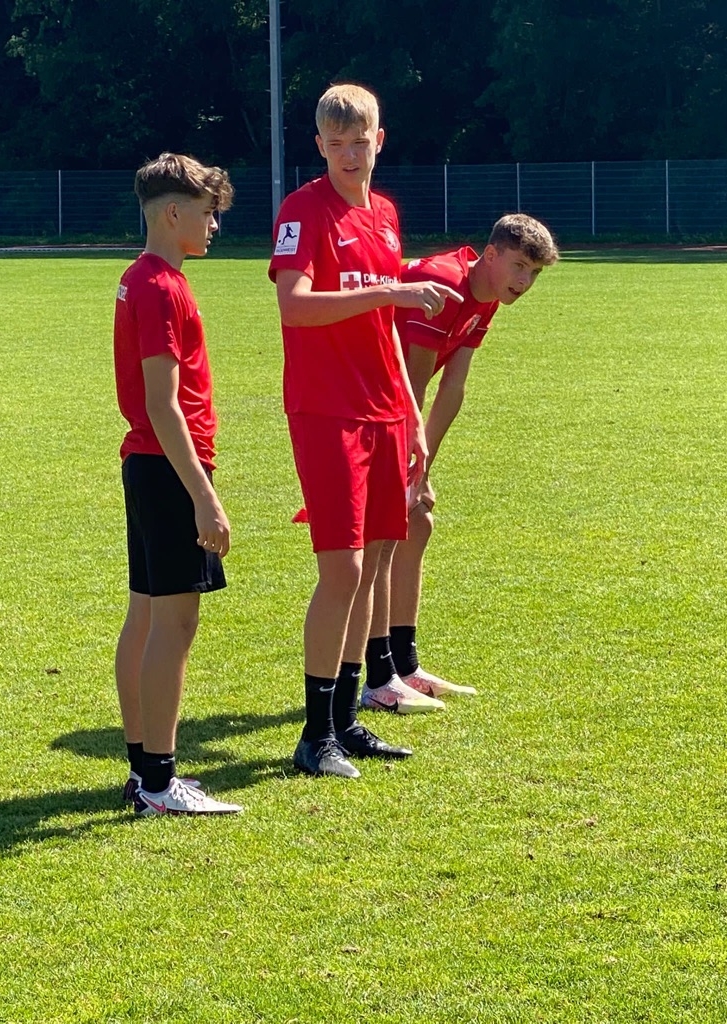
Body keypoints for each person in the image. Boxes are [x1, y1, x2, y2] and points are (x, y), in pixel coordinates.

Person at [269, 83, 463, 778]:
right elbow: (294, 307)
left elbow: (383, 330)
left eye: (360, 141)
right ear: (319, 146)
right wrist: (391, 290)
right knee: (344, 568)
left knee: (377, 559)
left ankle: (346, 721)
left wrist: (410, 415)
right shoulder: (303, 209)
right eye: (336, 143)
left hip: (384, 409)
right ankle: (313, 735)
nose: (349, 154)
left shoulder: (383, 213)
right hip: (328, 409)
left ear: (379, 140)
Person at [362, 214, 559, 709]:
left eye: (534, 273)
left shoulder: (486, 294)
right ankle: (379, 679)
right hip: (361, 404)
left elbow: (454, 387)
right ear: (490, 254)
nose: (525, 281)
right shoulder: (445, 283)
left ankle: (405, 666)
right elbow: (415, 379)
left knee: (417, 523)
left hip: (391, 410)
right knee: (385, 535)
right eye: (519, 266)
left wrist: (421, 470)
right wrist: (408, 466)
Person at [113, 152, 243, 815]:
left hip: (148, 463)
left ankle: (144, 771)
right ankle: (161, 783)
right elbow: (163, 404)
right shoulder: (162, 286)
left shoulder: (139, 278)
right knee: (174, 622)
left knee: (145, 616)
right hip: (168, 467)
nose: (215, 225)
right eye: (207, 213)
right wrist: (204, 496)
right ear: (172, 213)